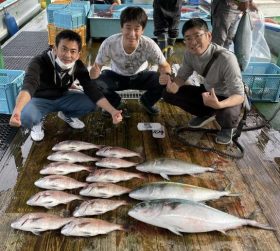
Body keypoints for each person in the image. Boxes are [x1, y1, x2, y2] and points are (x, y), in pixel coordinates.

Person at [9, 30, 123, 141]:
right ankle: (36, 123)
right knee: (25, 116)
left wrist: (113, 111)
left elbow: (91, 89)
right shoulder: (39, 62)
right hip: (39, 99)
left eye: (73, 51)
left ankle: (67, 115)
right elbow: (29, 86)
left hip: (63, 96)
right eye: (64, 49)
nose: (68, 55)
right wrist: (17, 110)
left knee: (92, 102)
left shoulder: (78, 66)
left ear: (78, 55)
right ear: (54, 49)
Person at [160, 18, 245, 145]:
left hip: (228, 97)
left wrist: (219, 105)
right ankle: (206, 113)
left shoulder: (227, 59)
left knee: (227, 114)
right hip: (208, 92)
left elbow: (239, 96)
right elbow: (182, 77)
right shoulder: (189, 54)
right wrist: (174, 86)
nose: (193, 42)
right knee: (167, 94)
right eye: (188, 38)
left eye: (197, 36)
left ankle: (227, 128)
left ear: (209, 36)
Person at [90, 6, 171, 115]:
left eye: (137, 29)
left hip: (141, 76)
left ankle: (147, 101)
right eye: (128, 28)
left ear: (142, 30)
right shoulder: (109, 43)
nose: (132, 34)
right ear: (121, 28)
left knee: (167, 80)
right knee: (94, 82)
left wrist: (165, 74)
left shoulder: (149, 44)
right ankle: (115, 102)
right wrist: (94, 73)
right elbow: (97, 66)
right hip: (116, 76)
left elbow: (165, 65)